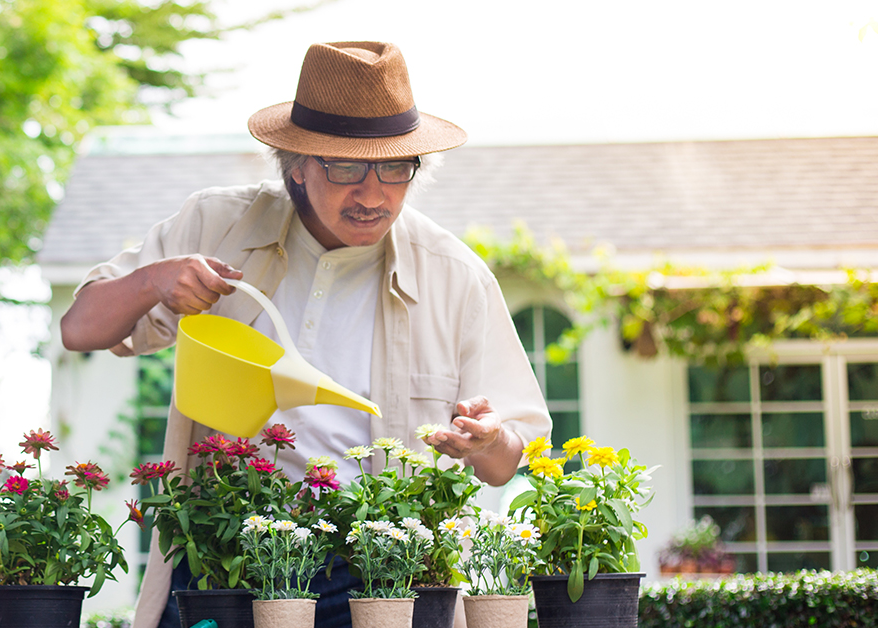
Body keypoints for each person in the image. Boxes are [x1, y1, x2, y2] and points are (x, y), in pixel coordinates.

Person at [60, 41, 551, 628]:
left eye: (395, 168)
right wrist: (154, 281)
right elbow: (79, 327)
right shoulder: (217, 225)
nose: (373, 195)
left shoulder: (455, 277)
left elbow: (505, 459)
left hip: (377, 575)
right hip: (223, 558)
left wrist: (486, 442)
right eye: (347, 168)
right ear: (295, 163)